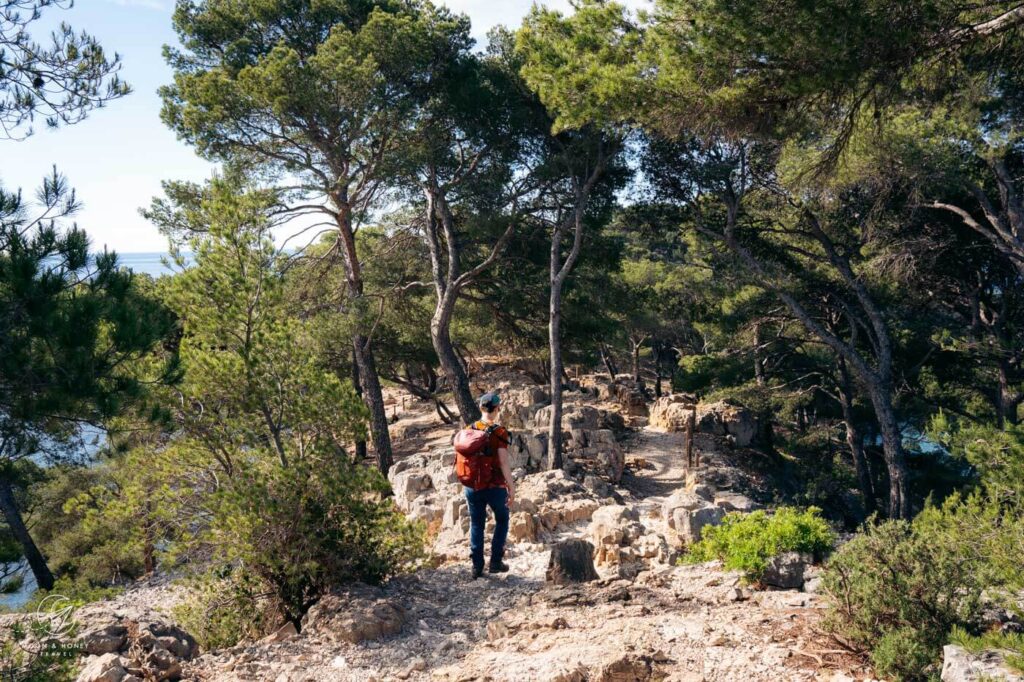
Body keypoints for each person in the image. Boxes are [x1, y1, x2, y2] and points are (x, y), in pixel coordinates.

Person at [465, 391, 516, 579]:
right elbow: (503, 462)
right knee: (502, 520)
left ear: (480, 408)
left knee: (476, 523)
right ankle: (495, 562)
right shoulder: (499, 432)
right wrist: (511, 487)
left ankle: (477, 566)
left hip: (473, 486)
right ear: (497, 409)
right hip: (495, 486)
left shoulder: (469, 429)